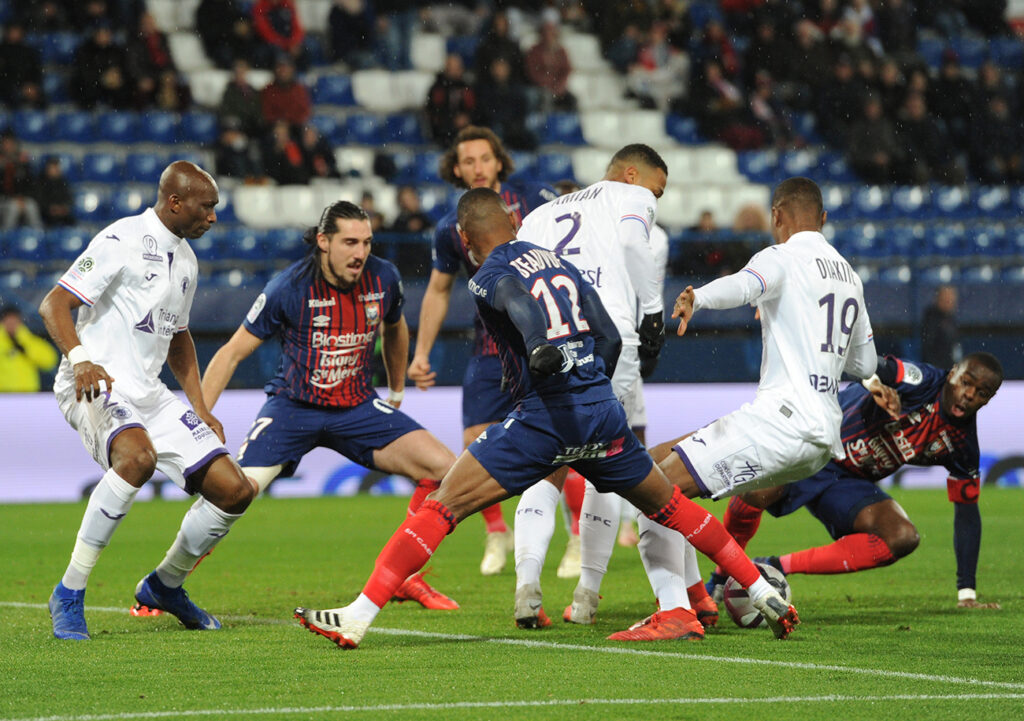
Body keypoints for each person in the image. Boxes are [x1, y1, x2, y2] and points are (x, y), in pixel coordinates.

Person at [293, 188, 799, 649]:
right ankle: (759, 589)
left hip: (546, 418)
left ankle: (358, 617)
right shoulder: (559, 261)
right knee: (670, 506)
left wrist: (539, 348)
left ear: (466, 239)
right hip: (601, 410)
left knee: (443, 504)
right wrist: (586, 377)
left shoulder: (487, 275)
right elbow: (607, 334)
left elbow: (516, 301)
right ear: (514, 224)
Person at [607, 176, 879, 639]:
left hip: (781, 421)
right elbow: (865, 362)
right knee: (665, 473)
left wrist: (699, 296)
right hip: (820, 441)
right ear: (824, 219)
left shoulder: (781, 257)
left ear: (776, 216)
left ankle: (678, 611)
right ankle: (700, 600)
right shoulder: (849, 275)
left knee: (650, 488)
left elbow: (744, 284)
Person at [199, 200, 459, 611]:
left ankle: (404, 578)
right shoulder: (289, 287)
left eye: (367, 242)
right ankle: (166, 582)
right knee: (233, 493)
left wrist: (395, 390)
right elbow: (230, 353)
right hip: (292, 408)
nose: (360, 253)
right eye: (350, 242)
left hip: (357, 407)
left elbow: (395, 329)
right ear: (323, 241)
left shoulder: (384, 277)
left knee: (446, 471)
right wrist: (200, 417)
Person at [39, 161, 257, 640]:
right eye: (207, 207)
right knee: (137, 458)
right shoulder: (122, 240)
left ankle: (165, 585)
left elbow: (178, 338)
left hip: (151, 394)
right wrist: (80, 359)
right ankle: (69, 592)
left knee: (235, 490)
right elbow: (53, 303)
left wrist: (200, 407)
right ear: (175, 201)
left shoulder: (188, 261)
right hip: (95, 384)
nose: (214, 218)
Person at [509, 144, 671, 630]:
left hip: (548, 340)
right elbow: (630, 245)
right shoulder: (631, 198)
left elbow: (512, 277)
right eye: (657, 190)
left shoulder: (539, 214)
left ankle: (526, 584)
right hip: (608, 338)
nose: (657, 200)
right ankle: (586, 596)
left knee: (545, 463)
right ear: (631, 174)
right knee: (611, 464)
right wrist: (654, 312)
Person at [707, 352, 1003, 610]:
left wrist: (967, 592)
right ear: (953, 374)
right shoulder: (922, 381)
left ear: (989, 400)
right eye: (966, 382)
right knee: (755, 491)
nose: (969, 394)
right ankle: (720, 578)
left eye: (982, 392)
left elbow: (967, 515)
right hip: (816, 445)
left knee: (902, 537)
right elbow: (872, 366)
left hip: (848, 482)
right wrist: (876, 386)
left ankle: (774, 566)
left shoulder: (963, 446)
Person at [407, 125, 556, 576]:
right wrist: (421, 353)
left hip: (545, 338)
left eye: (484, 159)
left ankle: (574, 540)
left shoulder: (535, 202)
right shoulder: (448, 227)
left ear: (498, 162)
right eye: (467, 161)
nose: (477, 167)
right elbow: (436, 290)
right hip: (491, 345)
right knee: (475, 439)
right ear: (456, 169)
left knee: (562, 442)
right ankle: (496, 530)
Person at [0, 305, 58, 392]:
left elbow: (50, 360)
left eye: (14, 321)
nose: (11, 325)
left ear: (20, 322)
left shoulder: (29, 340)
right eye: (8, 321)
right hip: (4, 396)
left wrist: (26, 349)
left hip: (28, 396)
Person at [921, 285, 961, 371]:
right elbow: (928, 349)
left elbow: (955, 347)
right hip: (937, 370)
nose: (950, 303)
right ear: (938, 299)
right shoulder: (931, 319)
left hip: (949, 367)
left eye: (952, 300)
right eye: (947, 299)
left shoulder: (951, 319)